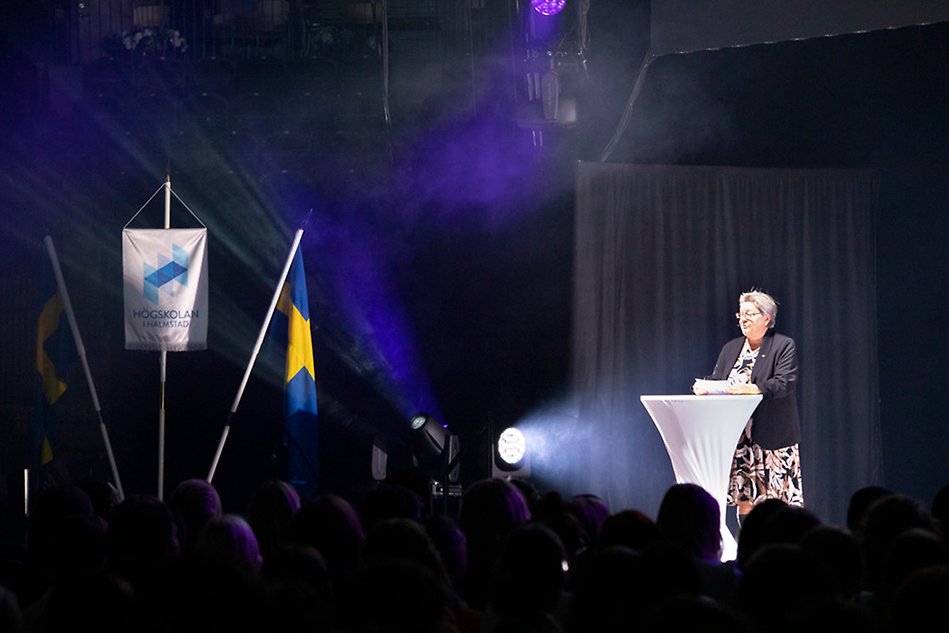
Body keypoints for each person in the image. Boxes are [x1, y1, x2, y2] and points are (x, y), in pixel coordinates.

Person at [693, 289, 803, 524]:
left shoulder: (783, 345)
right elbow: (719, 379)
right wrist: (705, 386)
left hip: (773, 436)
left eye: (750, 314)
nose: (743, 319)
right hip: (739, 438)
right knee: (746, 497)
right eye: (740, 315)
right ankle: (748, 548)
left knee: (776, 499)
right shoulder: (731, 348)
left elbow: (784, 384)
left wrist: (750, 388)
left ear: (767, 318)